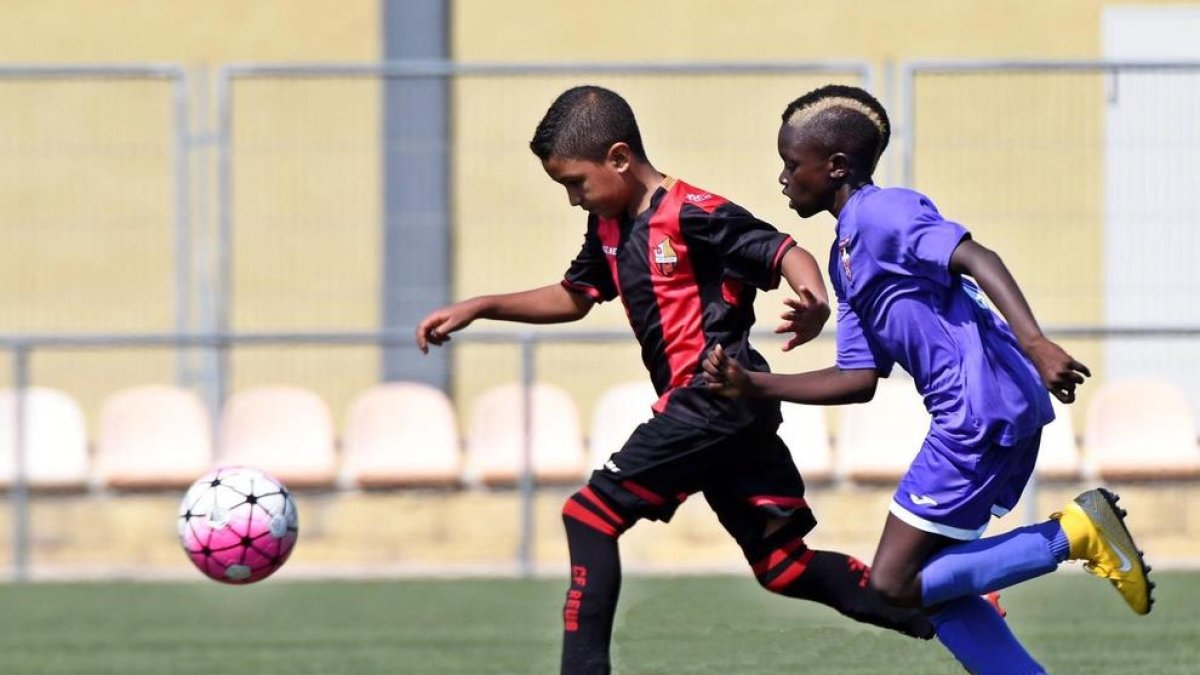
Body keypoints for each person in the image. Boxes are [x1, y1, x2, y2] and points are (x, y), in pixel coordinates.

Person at [415, 85, 933, 675]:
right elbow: (575, 296)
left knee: (589, 515)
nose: (572, 200)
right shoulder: (608, 225)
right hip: (721, 413)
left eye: (575, 184)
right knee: (783, 567)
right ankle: (947, 604)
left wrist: (812, 299)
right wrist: (482, 305)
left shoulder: (694, 212)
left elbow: (784, 250)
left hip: (715, 396)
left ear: (618, 157)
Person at [702, 84, 1154, 675]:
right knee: (938, 592)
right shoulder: (846, 253)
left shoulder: (884, 211)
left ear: (835, 166)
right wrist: (757, 385)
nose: (783, 178)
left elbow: (975, 256)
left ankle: (1072, 533)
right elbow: (859, 377)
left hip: (977, 409)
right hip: (976, 408)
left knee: (892, 583)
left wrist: (1035, 341)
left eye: (792, 164)